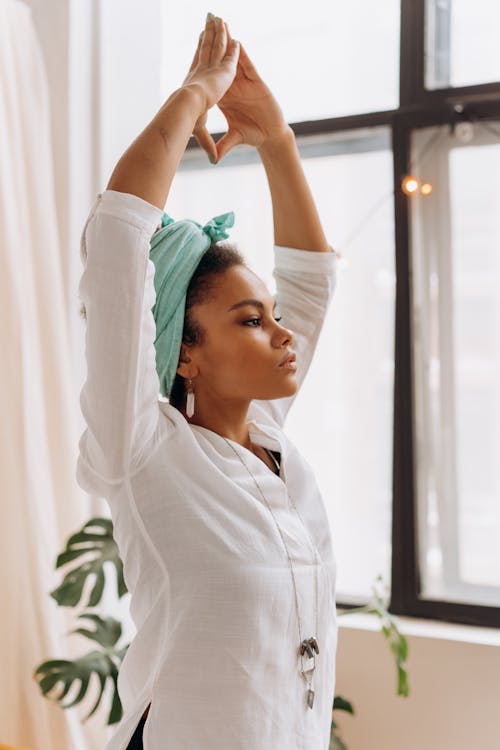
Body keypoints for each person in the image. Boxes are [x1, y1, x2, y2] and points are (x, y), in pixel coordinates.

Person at [76, 12, 339, 750]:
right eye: (251, 321)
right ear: (184, 354)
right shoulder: (144, 451)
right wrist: (194, 93)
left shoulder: (270, 445)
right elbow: (120, 241)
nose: (284, 333)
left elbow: (312, 285)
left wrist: (277, 142)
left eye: (272, 317)